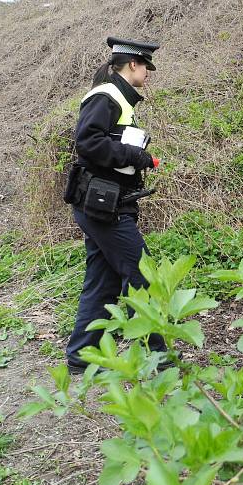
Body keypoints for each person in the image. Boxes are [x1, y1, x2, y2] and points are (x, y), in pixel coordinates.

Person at [63, 36, 168, 374]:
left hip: (103, 205)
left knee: (103, 281)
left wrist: (136, 158)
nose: (148, 73)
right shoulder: (106, 96)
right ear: (132, 65)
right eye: (146, 66)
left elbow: (106, 144)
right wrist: (136, 155)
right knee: (143, 275)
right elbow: (87, 142)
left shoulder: (120, 98)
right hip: (103, 208)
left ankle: (82, 357)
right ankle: (157, 360)